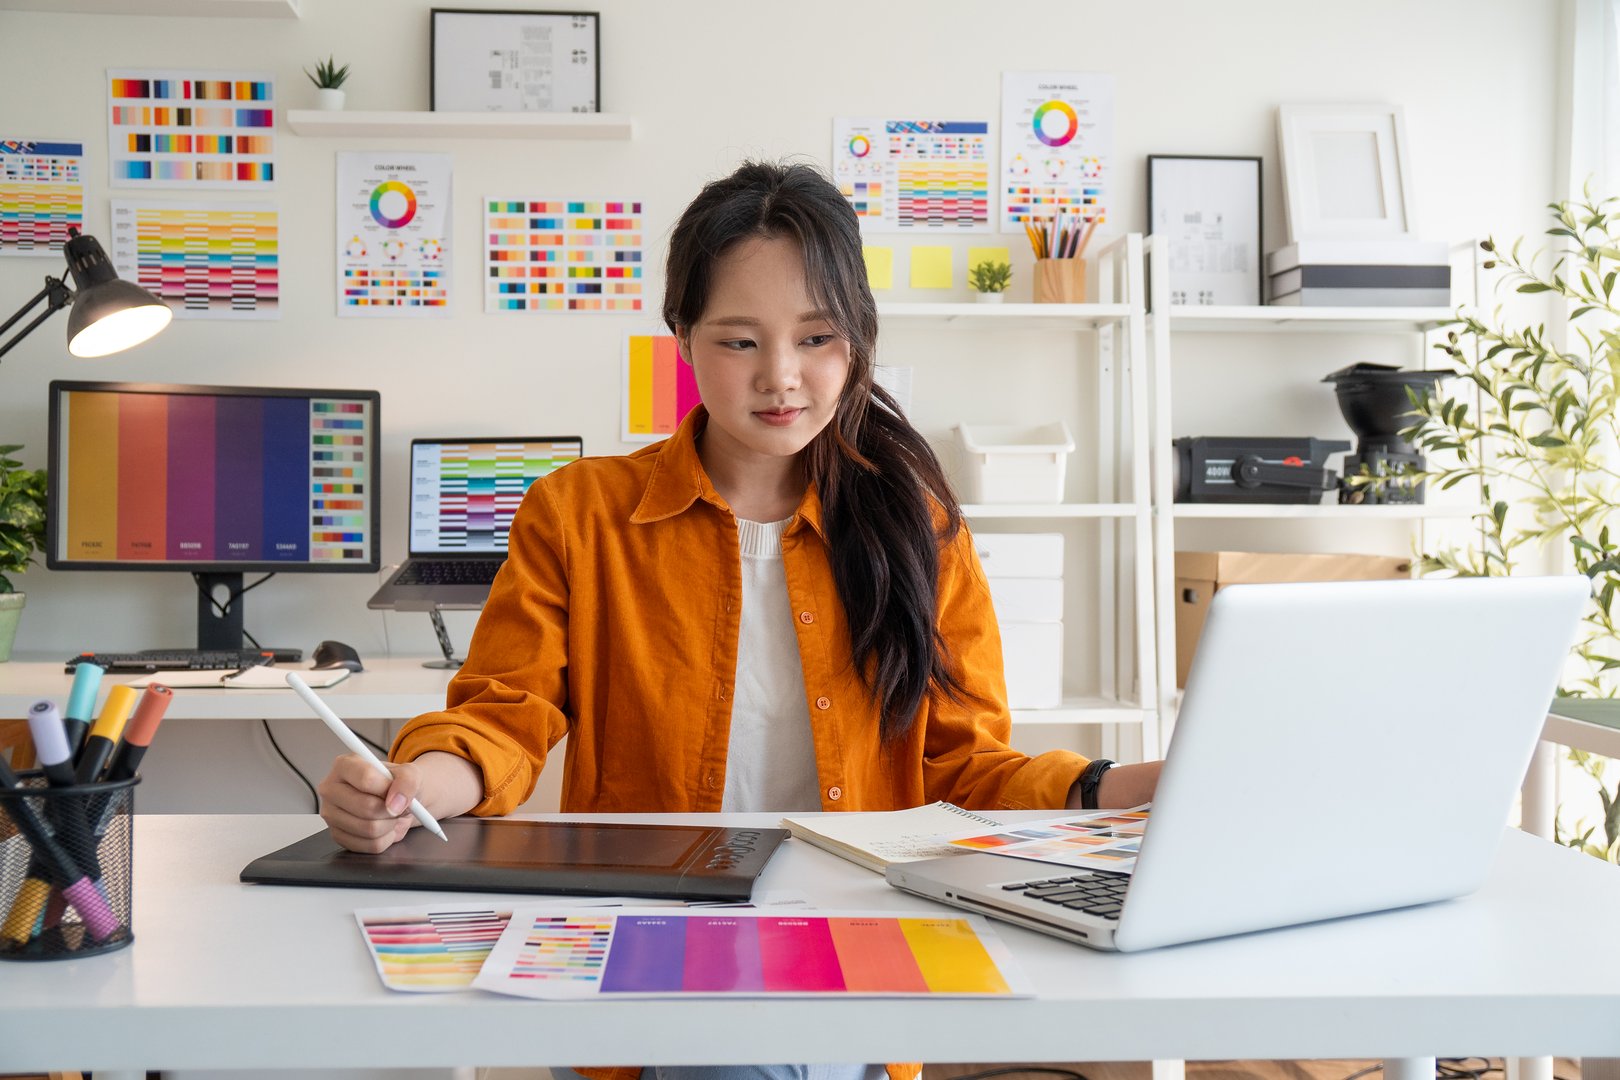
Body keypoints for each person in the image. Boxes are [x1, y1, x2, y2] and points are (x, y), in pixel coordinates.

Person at [317, 160, 1162, 1080]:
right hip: (649, 944)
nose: (783, 377)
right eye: (739, 341)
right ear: (681, 336)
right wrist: (415, 787)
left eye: (817, 337)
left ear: (859, 341)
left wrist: (1128, 787)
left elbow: (964, 766)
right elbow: (502, 714)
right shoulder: (579, 512)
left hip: (857, 938)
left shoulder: (914, 524)